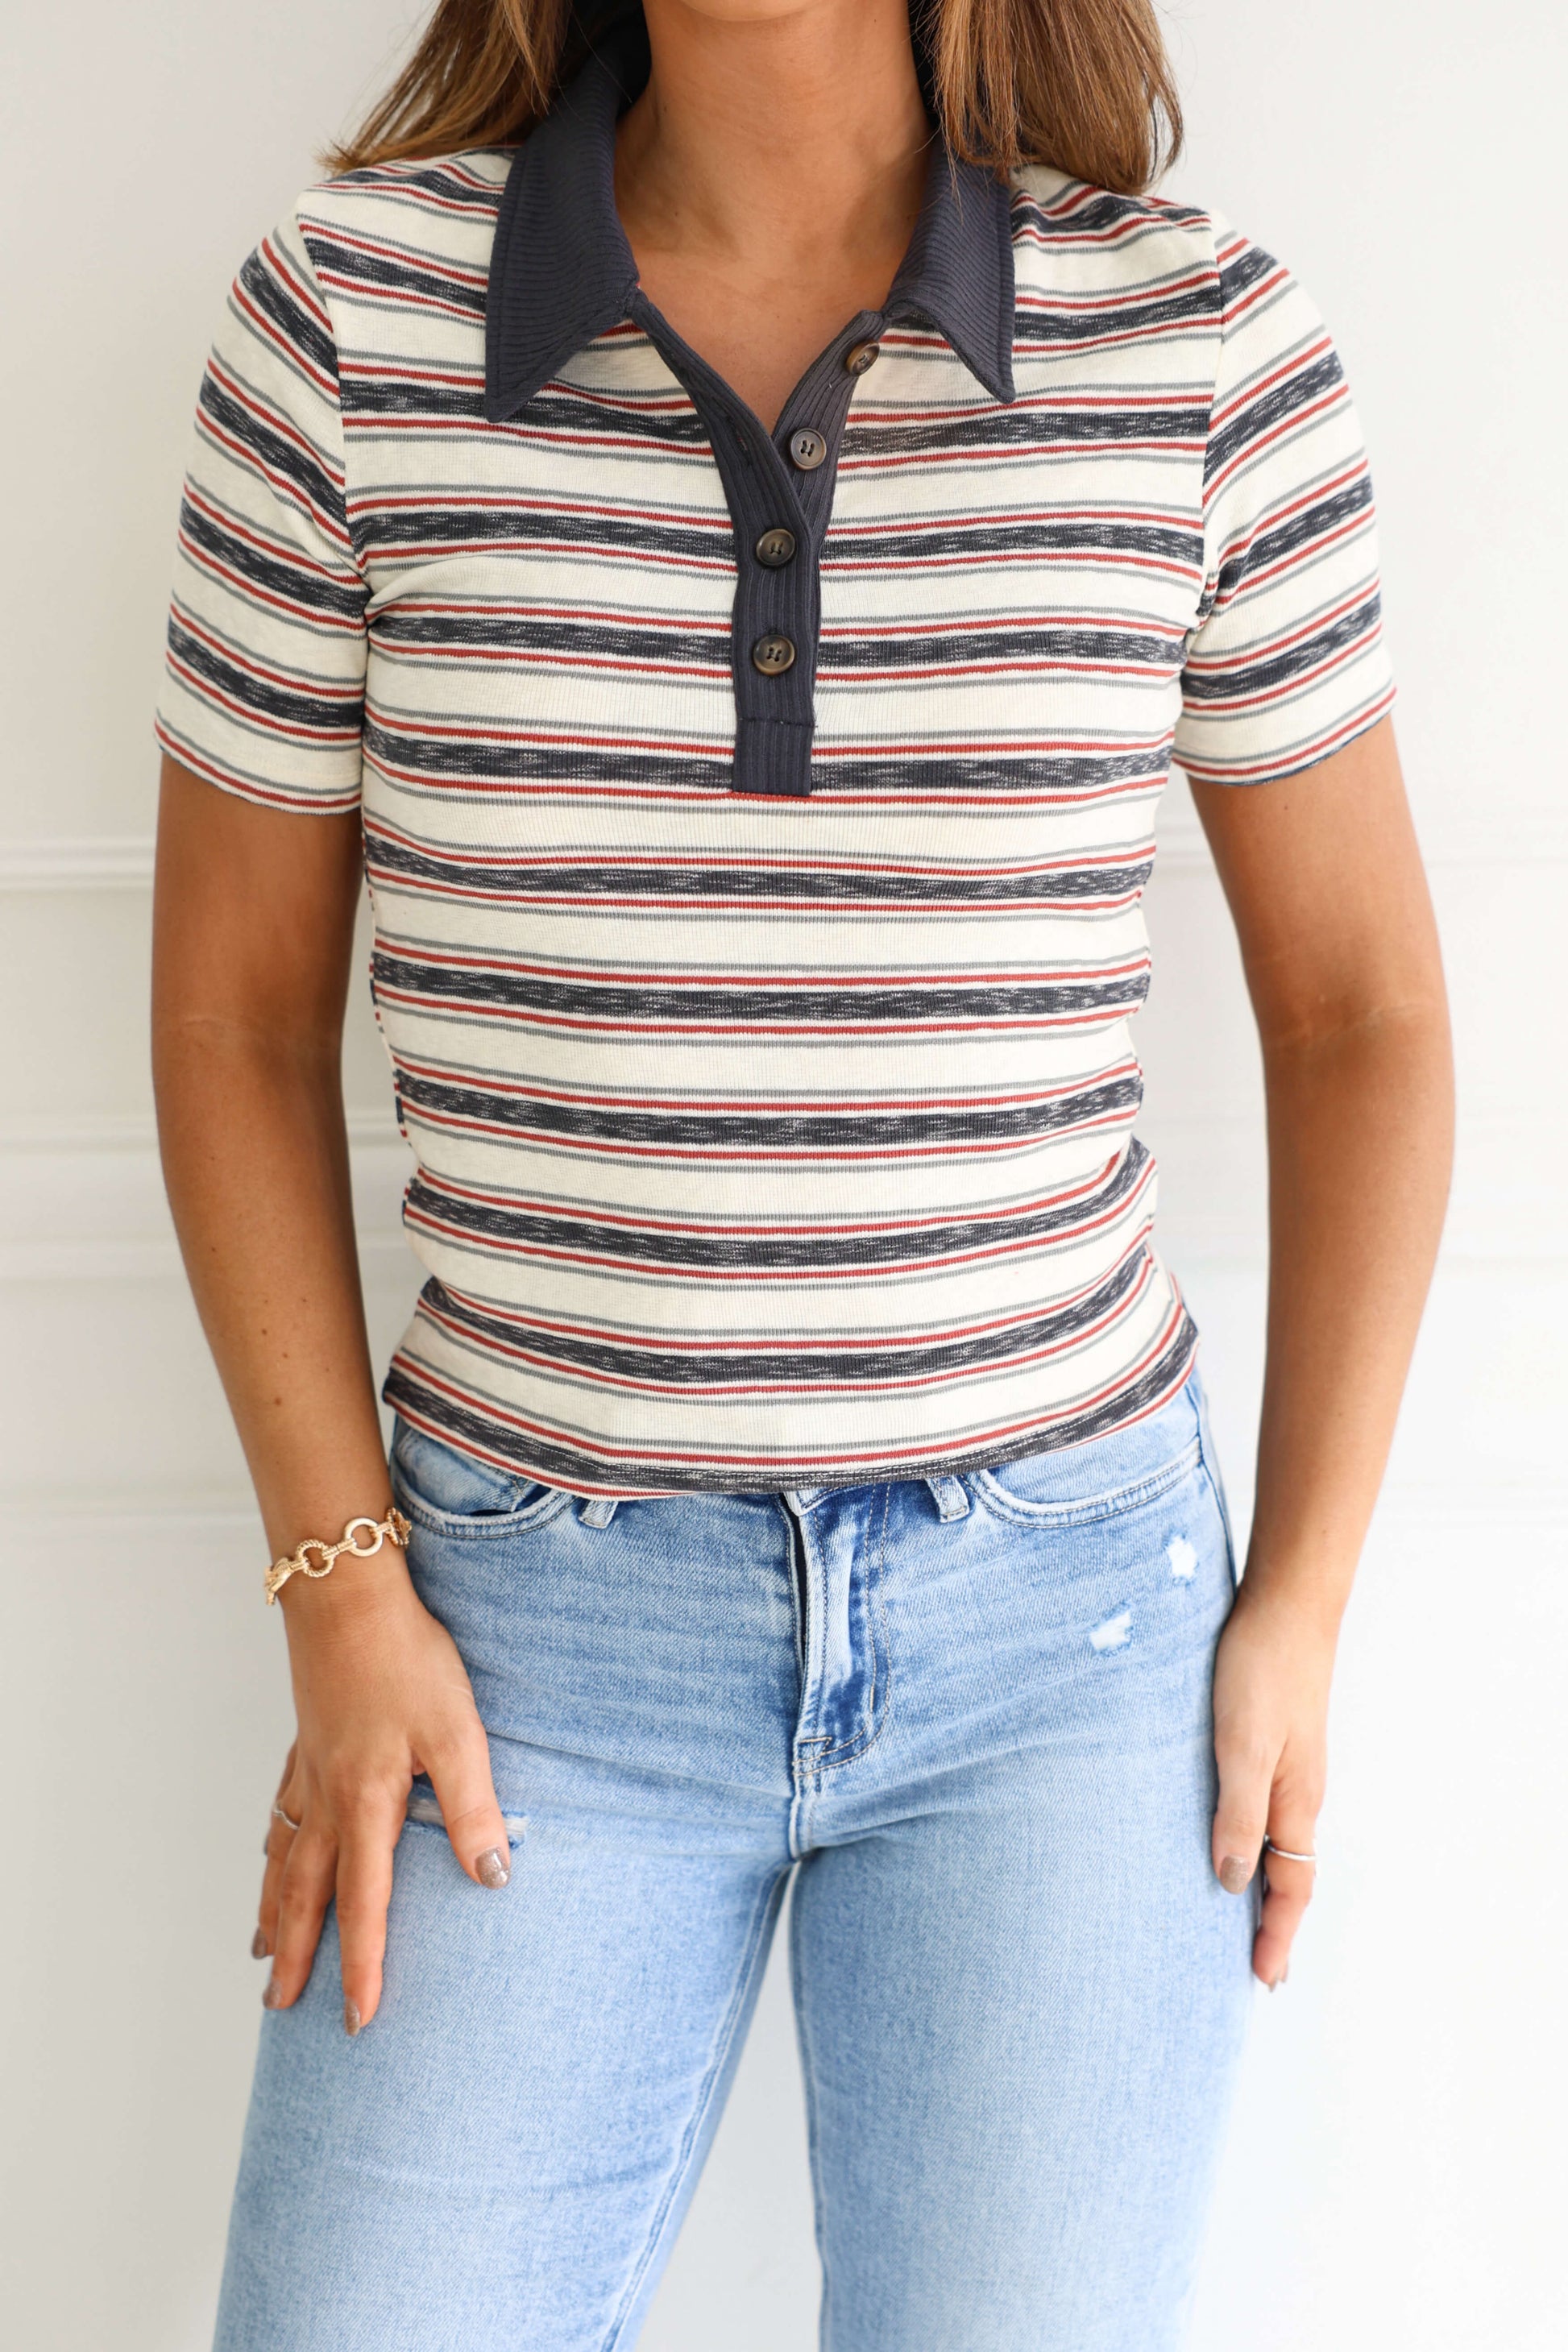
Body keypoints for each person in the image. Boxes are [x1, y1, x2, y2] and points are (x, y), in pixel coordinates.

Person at [150, 1, 1453, 2342]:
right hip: (510, 1637)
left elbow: (1363, 1019)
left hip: (1061, 1643)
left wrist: (1302, 1604)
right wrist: (342, 1592)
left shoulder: (1199, 346)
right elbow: (235, 1019)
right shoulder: (344, 327)